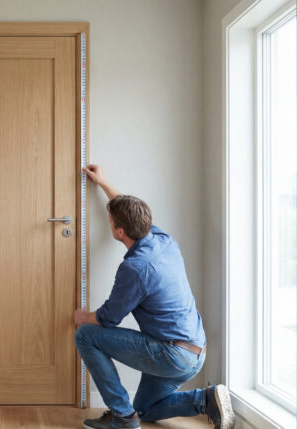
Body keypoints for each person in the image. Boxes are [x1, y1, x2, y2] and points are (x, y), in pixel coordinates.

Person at [74, 164, 235, 429]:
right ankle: (205, 400)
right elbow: (128, 211)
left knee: (85, 334)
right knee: (146, 409)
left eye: (112, 223)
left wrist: (83, 317)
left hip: (171, 354)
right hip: (194, 350)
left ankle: (123, 418)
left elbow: (107, 319)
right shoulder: (163, 240)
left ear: (119, 232)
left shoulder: (134, 268)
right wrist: (103, 183)